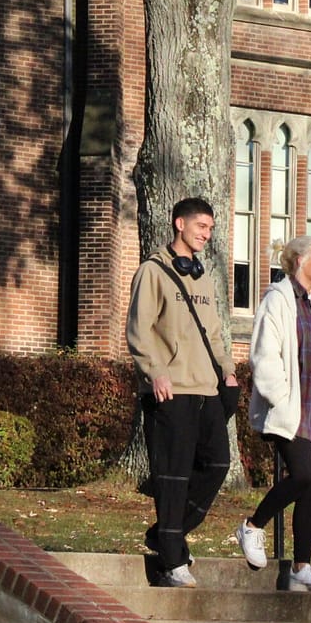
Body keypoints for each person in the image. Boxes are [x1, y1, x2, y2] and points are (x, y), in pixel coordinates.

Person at [126, 196, 238, 588]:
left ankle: (165, 534)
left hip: (207, 388)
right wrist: (154, 373)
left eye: (209, 228)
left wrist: (228, 372)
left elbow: (215, 333)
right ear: (179, 224)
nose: (206, 234)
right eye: (200, 227)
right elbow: (139, 331)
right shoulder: (152, 272)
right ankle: (172, 559)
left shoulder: (202, 277)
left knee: (217, 465)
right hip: (170, 390)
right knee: (172, 476)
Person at [232, 236, 311, 593]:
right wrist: (281, 398)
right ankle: (252, 526)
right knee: (303, 473)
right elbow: (264, 354)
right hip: (290, 409)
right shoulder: (278, 300)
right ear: (300, 260)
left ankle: (302, 566)